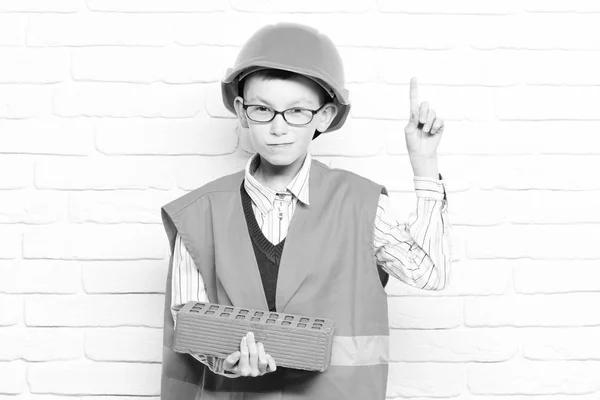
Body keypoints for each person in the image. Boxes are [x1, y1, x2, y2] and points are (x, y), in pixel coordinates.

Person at [160, 22, 452, 400]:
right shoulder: (198, 214)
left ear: (325, 116)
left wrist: (425, 164)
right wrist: (222, 361)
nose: (278, 128)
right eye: (263, 109)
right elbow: (189, 324)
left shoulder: (360, 204)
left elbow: (430, 273)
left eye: (297, 111)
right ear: (241, 111)